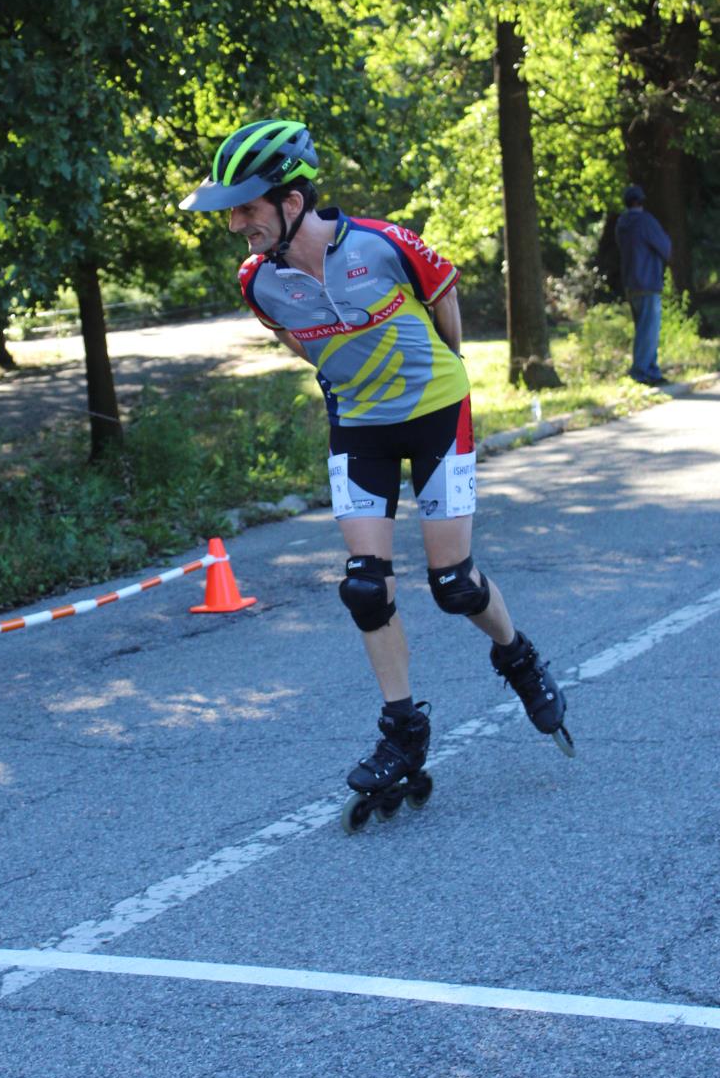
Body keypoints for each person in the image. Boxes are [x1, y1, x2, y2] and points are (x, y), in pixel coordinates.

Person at [180, 118, 573, 826]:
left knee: (454, 585)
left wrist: (445, 373)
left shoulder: (383, 243)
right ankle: (403, 730)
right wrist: (348, 382)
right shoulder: (258, 282)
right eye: (231, 212)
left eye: (246, 208)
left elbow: (444, 301)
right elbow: (300, 341)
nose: (235, 224)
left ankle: (518, 658)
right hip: (358, 427)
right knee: (365, 587)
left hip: (437, 414)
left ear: (291, 202)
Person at [615, 183, 672, 385]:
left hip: (630, 282)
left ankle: (650, 369)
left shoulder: (621, 224)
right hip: (648, 282)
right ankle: (642, 371)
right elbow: (665, 247)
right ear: (641, 202)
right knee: (649, 330)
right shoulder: (646, 222)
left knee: (643, 329)